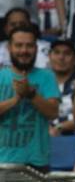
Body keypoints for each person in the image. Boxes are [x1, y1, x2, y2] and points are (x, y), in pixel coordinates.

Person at [0, 25, 59, 172]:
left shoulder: (47, 76)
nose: (24, 51)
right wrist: (15, 100)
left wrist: (31, 95)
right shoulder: (1, 76)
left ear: (36, 49)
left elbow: (53, 112)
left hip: (37, 162)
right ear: (9, 48)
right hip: (3, 160)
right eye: (18, 45)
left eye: (29, 46)